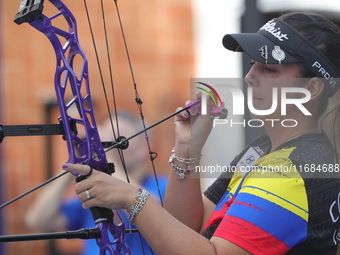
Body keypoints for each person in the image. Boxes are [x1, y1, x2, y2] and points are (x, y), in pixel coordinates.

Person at [62, 12, 340, 254]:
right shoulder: (265, 148)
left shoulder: (289, 171)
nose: (250, 76)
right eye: (253, 63)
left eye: (269, 68)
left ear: (311, 89)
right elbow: (186, 229)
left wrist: (132, 198)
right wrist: (188, 148)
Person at [25, 111, 167, 255]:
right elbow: (38, 220)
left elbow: (149, 211)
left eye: (116, 141)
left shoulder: (163, 187)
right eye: (105, 140)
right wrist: (76, 160)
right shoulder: (97, 194)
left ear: (142, 148)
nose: (106, 145)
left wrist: (106, 156)